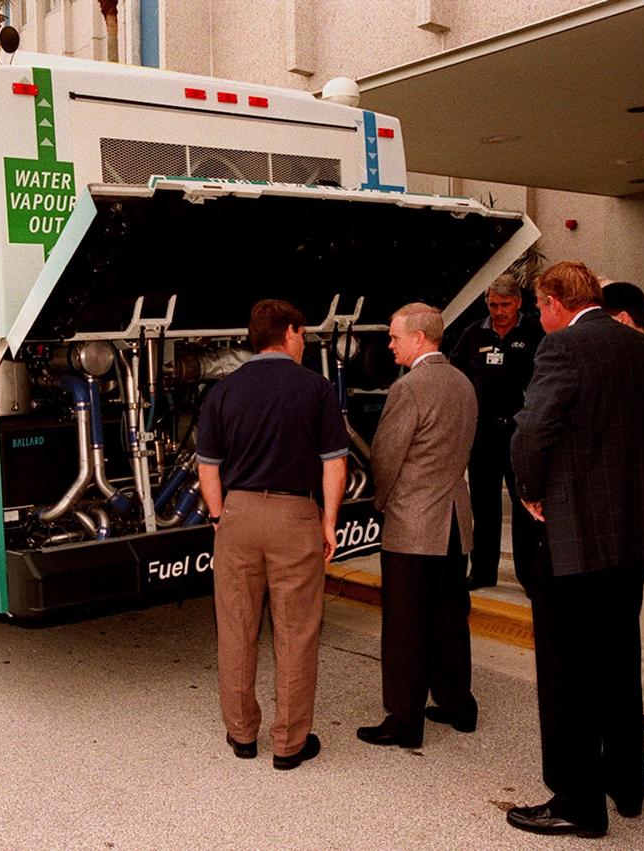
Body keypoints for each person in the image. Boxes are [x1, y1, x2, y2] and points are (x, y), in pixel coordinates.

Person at [507, 262, 644, 838]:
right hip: (633, 535)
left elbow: (532, 430)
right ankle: (627, 784)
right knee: (618, 657)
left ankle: (577, 802)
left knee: (567, 669)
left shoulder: (562, 349)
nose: (539, 316)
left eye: (539, 306)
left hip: (574, 537)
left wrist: (530, 492)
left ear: (556, 301)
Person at [196, 299, 348, 770]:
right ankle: (289, 744)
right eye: (302, 333)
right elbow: (335, 462)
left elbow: (208, 467)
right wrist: (327, 523)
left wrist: (221, 517)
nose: (304, 342)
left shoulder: (223, 391)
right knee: (296, 632)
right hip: (294, 516)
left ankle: (242, 735)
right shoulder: (317, 389)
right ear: (287, 332)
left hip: (238, 515)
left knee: (237, 628)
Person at [357, 302, 478, 749]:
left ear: (419, 338)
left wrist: (383, 501)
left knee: (406, 624)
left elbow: (386, 456)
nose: (389, 344)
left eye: (394, 336)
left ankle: (404, 719)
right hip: (453, 520)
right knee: (450, 616)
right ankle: (457, 704)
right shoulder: (463, 382)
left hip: (413, 523)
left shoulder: (408, 388)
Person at [449, 274, 544, 590]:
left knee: (523, 505)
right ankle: (483, 571)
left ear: (517, 302)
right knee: (484, 505)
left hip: (520, 431)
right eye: (493, 304)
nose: (499, 311)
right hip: (483, 433)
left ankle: (529, 575)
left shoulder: (534, 331)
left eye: (504, 304)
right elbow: (456, 371)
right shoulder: (474, 333)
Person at [602, 281, 644, 731]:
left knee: (637, 610)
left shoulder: (634, 362)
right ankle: (632, 701)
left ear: (621, 320)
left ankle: (636, 703)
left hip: (628, 508)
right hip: (635, 504)